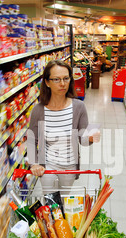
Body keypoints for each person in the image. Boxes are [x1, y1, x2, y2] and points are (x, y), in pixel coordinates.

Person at [26, 60, 100, 193]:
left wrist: (90, 138)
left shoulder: (79, 107)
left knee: (65, 201)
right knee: (51, 204)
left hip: (70, 166)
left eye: (66, 78)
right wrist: (34, 163)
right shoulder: (38, 110)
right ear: (47, 82)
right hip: (48, 166)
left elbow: (82, 140)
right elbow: (32, 140)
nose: (62, 83)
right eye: (56, 79)